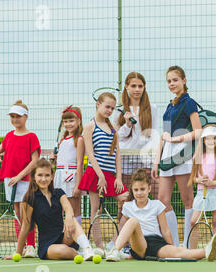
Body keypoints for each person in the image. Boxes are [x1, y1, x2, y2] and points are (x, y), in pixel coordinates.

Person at [105, 169, 216, 262]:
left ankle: (207, 251)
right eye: (136, 190)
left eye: (142, 189)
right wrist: (116, 245)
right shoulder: (128, 206)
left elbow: (165, 230)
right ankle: (114, 251)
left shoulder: (157, 205)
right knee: (133, 221)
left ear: (149, 189)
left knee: (179, 252)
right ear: (132, 190)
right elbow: (121, 229)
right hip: (139, 245)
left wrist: (171, 247)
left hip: (156, 243)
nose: (139, 193)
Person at [3, 159, 95, 261]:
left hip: (65, 238)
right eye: (40, 175)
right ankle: (79, 254)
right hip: (48, 245)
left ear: (52, 176)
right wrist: (18, 253)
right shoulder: (29, 198)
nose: (43, 179)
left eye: (47, 175)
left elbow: (68, 208)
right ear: (34, 177)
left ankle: (88, 250)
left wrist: (69, 217)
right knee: (62, 250)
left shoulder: (59, 193)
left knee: (72, 220)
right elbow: (25, 226)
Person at [151, 65, 202, 247]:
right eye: (169, 81)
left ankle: (188, 245)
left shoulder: (189, 103)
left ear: (184, 81)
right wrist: (156, 162)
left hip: (182, 155)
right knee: (163, 202)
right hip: (166, 158)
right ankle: (173, 244)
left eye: (175, 80)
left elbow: (198, 131)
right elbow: (164, 136)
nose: (172, 84)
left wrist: (176, 139)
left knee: (187, 200)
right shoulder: (169, 105)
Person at [78, 91, 129, 257]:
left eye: (112, 108)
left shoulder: (113, 128)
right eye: (107, 106)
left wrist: (119, 177)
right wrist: (100, 175)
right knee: (96, 211)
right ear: (98, 104)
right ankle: (99, 247)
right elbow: (90, 154)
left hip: (111, 175)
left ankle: (114, 243)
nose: (109, 110)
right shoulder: (89, 126)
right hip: (96, 174)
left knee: (126, 201)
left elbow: (117, 155)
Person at [0, 100, 41, 258]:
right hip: (9, 179)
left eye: (17, 116)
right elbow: (0, 148)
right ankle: (22, 246)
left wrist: (20, 176)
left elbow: (35, 161)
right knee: (17, 213)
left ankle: (31, 246)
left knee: (26, 213)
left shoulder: (31, 136)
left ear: (25, 117)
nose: (14, 119)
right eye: (12, 116)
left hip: (24, 180)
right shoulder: (8, 136)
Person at [115, 72, 159, 199]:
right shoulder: (118, 110)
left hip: (145, 159)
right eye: (133, 86)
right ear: (126, 87)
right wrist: (127, 125)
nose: (137, 89)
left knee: (156, 195)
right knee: (126, 199)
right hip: (124, 158)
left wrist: (151, 157)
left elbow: (154, 134)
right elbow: (116, 137)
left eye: (140, 86)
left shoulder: (152, 108)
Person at [188, 126, 216, 244]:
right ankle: (193, 252)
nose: (211, 141)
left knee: (215, 222)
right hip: (202, 193)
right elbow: (193, 178)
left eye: (214, 138)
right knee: (193, 221)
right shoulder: (197, 157)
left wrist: (212, 183)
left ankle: (213, 251)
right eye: (208, 138)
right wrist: (200, 179)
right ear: (203, 140)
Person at [50, 105, 85, 226]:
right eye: (65, 121)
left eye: (71, 120)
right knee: (61, 209)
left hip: (72, 177)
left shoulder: (80, 139)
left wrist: (78, 185)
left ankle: (78, 240)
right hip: (59, 176)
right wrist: (53, 160)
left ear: (79, 121)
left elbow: (80, 163)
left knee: (74, 210)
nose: (68, 124)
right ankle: (63, 236)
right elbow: (60, 162)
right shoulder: (62, 140)